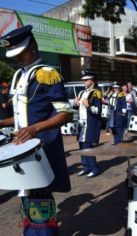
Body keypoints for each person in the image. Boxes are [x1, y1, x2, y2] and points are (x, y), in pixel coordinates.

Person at [0, 25, 72, 235]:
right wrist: (4, 123)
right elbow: (26, 114)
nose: (17, 59)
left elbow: (66, 114)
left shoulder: (47, 74)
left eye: (20, 54)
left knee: (39, 200)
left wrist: (34, 129)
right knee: (28, 200)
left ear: (32, 47)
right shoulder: (20, 75)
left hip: (41, 149)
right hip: (24, 147)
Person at [74, 71, 102, 178]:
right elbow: (77, 109)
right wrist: (75, 104)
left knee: (87, 147)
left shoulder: (97, 93)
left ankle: (94, 168)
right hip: (81, 123)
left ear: (92, 80)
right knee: (81, 146)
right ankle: (86, 167)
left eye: (86, 80)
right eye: (84, 80)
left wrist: (88, 105)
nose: (84, 81)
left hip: (90, 124)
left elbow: (98, 111)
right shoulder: (81, 93)